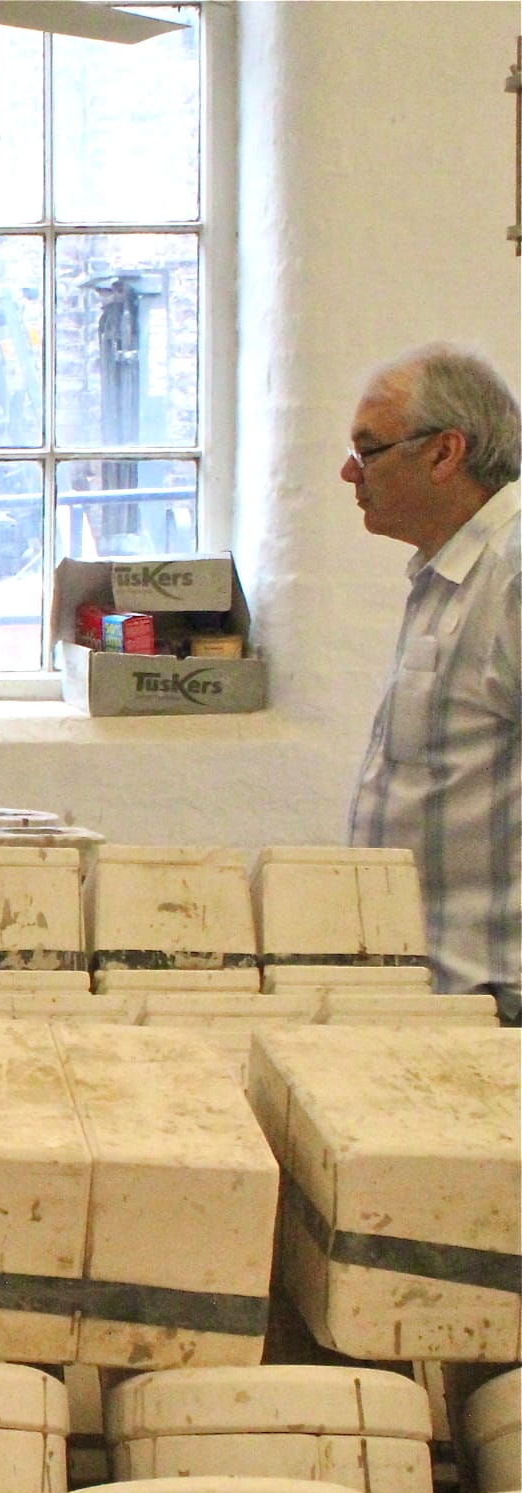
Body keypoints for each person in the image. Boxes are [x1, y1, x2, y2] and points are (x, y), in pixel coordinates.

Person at [339, 343, 521, 1026]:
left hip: (498, 1000)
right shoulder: (448, 573)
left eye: (368, 450)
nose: (349, 473)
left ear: (445, 453)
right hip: (440, 993)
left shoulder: (513, 573)